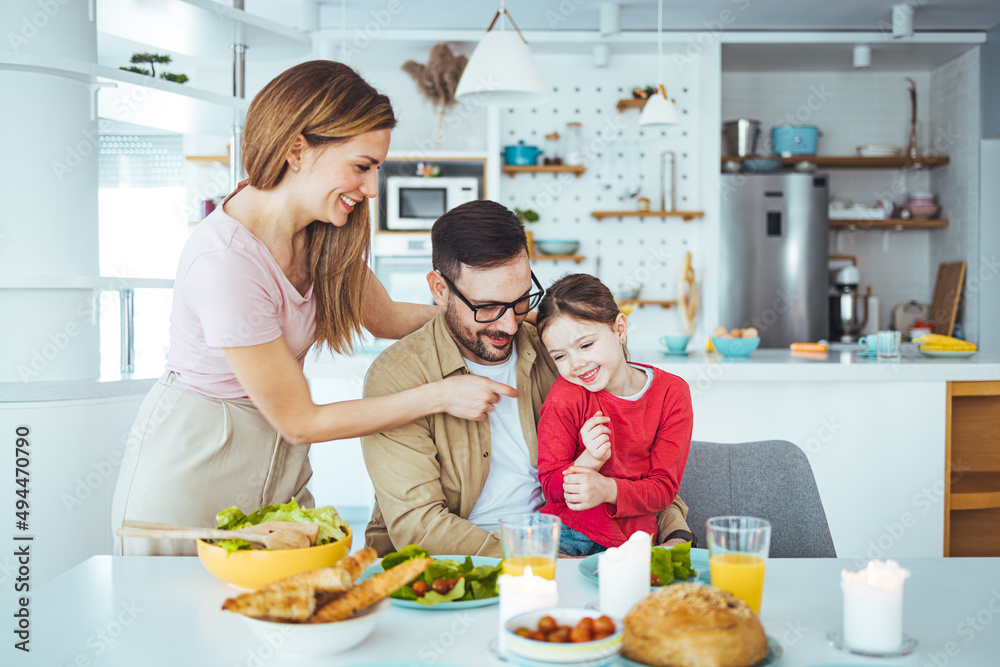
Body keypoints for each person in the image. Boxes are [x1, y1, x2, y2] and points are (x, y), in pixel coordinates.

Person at [111, 61, 511, 557]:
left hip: (278, 458)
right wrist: (441, 395)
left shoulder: (321, 234)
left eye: (376, 170)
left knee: (296, 610)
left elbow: (384, 318)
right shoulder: (227, 262)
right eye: (362, 166)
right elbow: (300, 420)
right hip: (197, 462)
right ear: (298, 150)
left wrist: (487, 313)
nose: (370, 189)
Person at [361, 200, 693, 557]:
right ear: (440, 290)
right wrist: (541, 558)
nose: (508, 324)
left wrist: (674, 533)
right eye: (486, 307)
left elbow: (634, 460)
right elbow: (420, 526)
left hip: (572, 540)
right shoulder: (398, 378)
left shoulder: (558, 353)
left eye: (521, 301)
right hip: (466, 561)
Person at [534, 274, 693, 557]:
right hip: (567, 535)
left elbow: (664, 489)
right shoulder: (566, 395)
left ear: (619, 329)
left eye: (585, 345)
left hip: (635, 540)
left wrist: (607, 490)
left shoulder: (672, 393)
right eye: (559, 356)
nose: (576, 364)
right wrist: (589, 461)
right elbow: (550, 487)